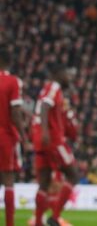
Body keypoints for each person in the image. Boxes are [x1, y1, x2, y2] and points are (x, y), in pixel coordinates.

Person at [31, 65, 78, 226]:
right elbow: (45, 105)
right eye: (67, 73)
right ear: (59, 73)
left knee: (44, 182)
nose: (69, 78)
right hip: (53, 140)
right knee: (73, 175)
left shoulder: (51, 89)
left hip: (41, 141)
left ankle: (38, 222)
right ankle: (54, 217)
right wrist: (45, 131)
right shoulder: (54, 87)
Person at [0, 50, 28, 226]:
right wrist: (24, 136)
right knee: (8, 179)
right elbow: (15, 113)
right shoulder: (13, 81)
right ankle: (9, 224)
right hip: (5, 136)